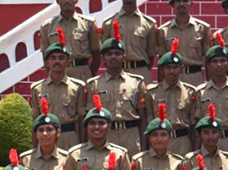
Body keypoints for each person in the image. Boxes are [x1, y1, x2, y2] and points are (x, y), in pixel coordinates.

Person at [82, 23, 147, 154]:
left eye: (117, 54)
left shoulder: (136, 82)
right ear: (103, 58)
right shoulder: (93, 84)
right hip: (106, 136)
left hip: (131, 136)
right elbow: (88, 118)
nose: (113, 57)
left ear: (124, 57)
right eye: (109, 54)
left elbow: (143, 117)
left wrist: (145, 147)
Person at [39, 0, 100, 82]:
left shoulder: (89, 24)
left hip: (82, 72)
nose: (67, 1)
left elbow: (96, 54)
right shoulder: (47, 26)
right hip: (58, 73)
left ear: (76, 0)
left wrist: (89, 74)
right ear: (57, 1)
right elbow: (45, 57)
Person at [193, 32, 228, 156]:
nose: (219, 65)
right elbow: (196, 125)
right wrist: (196, 151)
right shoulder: (200, 92)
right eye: (214, 61)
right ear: (208, 65)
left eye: (222, 61)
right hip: (207, 143)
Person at [30, 29, 85, 150]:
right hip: (46, 138)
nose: (57, 61)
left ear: (67, 61)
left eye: (61, 58)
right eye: (53, 58)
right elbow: (35, 120)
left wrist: (82, 145)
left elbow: (81, 120)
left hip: (69, 138)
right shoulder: (37, 89)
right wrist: (35, 148)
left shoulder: (77, 87)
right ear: (47, 62)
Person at [101, 0, 158, 75]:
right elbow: (104, 53)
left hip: (141, 72)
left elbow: (151, 56)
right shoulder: (109, 23)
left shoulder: (149, 24)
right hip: (116, 73)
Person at [157, 0, 211, 87]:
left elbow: (209, 60)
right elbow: (161, 62)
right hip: (172, 79)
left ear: (191, 3)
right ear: (172, 5)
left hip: (195, 77)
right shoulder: (163, 31)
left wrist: (210, 85)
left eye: (185, 0)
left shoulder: (203, 28)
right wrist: (161, 86)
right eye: (178, 1)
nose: (182, 4)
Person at [146, 39, 196, 157]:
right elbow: (148, 122)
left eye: (175, 67)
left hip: (182, 141)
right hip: (159, 141)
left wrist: (195, 149)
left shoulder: (190, 92)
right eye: (168, 68)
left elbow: (193, 125)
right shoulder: (151, 92)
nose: (171, 71)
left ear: (181, 69)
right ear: (162, 69)